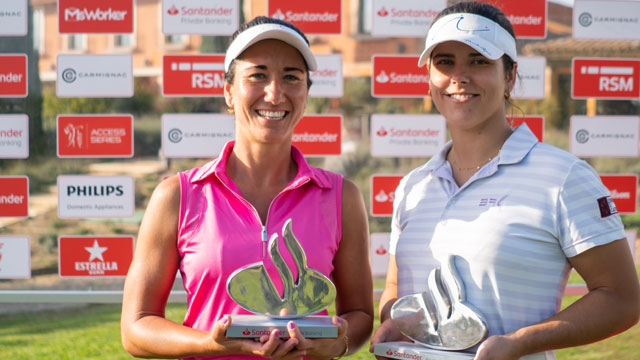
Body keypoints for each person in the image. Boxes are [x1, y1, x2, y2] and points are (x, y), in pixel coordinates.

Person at [370, 2, 640, 360]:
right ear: (429, 77)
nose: (459, 76)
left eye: (479, 61)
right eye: (444, 61)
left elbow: (622, 299)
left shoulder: (562, 177)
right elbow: (395, 287)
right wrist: (394, 321)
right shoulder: (413, 187)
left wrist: (520, 343)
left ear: (510, 76)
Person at [121, 16, 373, 360]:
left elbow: (359, 315)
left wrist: (336, 343)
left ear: (306, 93)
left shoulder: (341, 197)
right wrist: (209, 344)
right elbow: (135, 329)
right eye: (257, 75)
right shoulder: (177, 196)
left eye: (291, 77)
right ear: (228, 91)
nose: (274, 92)